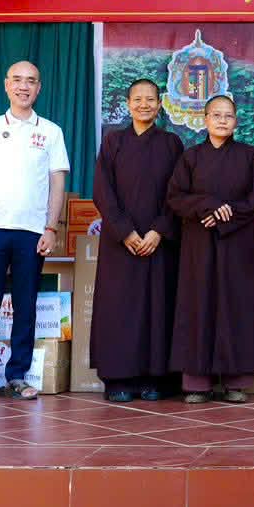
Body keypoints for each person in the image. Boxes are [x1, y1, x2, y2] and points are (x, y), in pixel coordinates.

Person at [0, 61, 70, 402]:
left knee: (26, 304)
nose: (24, 86)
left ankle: (18, 376)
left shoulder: (51, 131)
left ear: (39, 88)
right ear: (6, 85)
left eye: (31, 81)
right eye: (18, 80)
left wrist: (51, 227)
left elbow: (57, 182)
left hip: (32, 232)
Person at [168, 94, 254, 403]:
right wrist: (208, 206)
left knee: (235, 305)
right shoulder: (191, 157)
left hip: (236, 242)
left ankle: (236, 382)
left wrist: (225, 215)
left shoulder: (249, 156)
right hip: (198, 242)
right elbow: (175, 197)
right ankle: (197, 383)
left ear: (236, 121)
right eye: (216, 115)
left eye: (228, 116)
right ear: (205, 120)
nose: (222, 120)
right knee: (198, 305)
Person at [90, 78, 185, 402]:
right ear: (128, 104)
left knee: (158, 307)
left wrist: (159, 230)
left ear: (160, 105)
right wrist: (125, 231)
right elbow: (103, 191)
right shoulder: (113, 142)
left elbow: (178, 192)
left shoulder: (172, 144)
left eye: (150, 99)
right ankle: (118, 379)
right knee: (119, 308)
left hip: (160, 242)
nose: (144, 105)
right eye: (138, 99)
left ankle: (156, 379)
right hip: (121, 243)